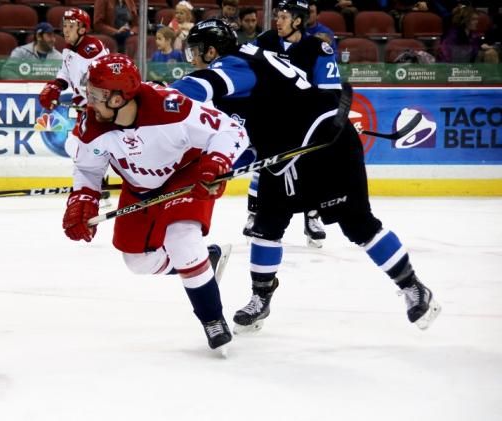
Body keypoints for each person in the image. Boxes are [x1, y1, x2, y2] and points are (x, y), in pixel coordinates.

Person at [171, 19, 441, 334]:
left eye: (194, 52)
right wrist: (224, 168)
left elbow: (198, 87)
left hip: (324, 144)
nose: (191, 60)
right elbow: (244, 138)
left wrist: (151, 97)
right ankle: (261, 298)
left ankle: (413, 287)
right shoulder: (246, 65)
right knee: (266, 227)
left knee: (357, 223)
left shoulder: (237, 64)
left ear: (211, 50)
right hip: (284, 153)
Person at [62, 53, 249, 352]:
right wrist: (83, 197)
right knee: (138, 262)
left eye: (98, 95)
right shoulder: (92, 125)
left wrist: (216, 161)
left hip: (185, 175)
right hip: (139, 188)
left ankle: (212, 319)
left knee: (181, 239)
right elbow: (87, 169)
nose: (91, 101)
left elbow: (230, 129)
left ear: (119, 98)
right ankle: (206, 260)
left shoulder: (169, 106)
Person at [248, 0, 344, 247]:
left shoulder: (318, 49)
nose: (277, 21)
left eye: (283, 17)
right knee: (264, 165)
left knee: (312, 168)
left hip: (303, 121)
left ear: (298, 21)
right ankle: (254, 214)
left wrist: (329, 122)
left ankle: (312, 216)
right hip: (269, 118)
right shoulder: (264, 41)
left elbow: (331, 92)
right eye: (277, 16)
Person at [39, 8, 108, 116]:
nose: (66, 30)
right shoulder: (68, 49)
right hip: (85, 104)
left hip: (101, 107)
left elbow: (99, 81)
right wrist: (56, 86)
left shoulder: (92, 48)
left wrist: (94, 103)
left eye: (71, 26)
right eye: (65, 25)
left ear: (82, 30)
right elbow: (65, 71)